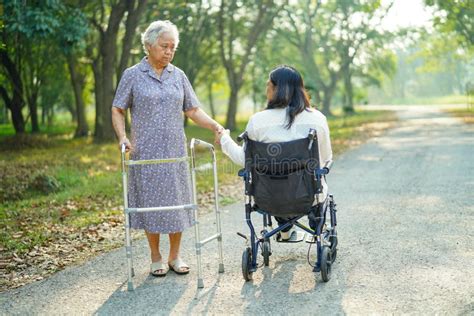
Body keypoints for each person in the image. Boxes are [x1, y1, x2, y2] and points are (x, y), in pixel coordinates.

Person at [112, 20, 224, 277]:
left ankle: (175, 255)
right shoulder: (133, 74)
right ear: (149, 45)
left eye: (173, 47)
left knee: (177, 203)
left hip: (174, 150)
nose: (169, 51)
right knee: (150, 203)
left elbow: (193, 110)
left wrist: (215, 126)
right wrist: (122, 136)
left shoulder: (179, 75)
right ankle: (155, 256)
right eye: (164, 46)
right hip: (145, 151)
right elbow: (117, 108)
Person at [218, 65, 332, 240]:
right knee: (310, 179)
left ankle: (284, 229)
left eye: (268, 85)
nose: (266, 89)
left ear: (275, 89)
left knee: (278, 179)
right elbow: (324, 159)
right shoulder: (317, 119)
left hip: (267, 197)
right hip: (309, 195)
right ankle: (316, 225)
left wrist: (224, 139)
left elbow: (244, 159)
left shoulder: (258, 121)